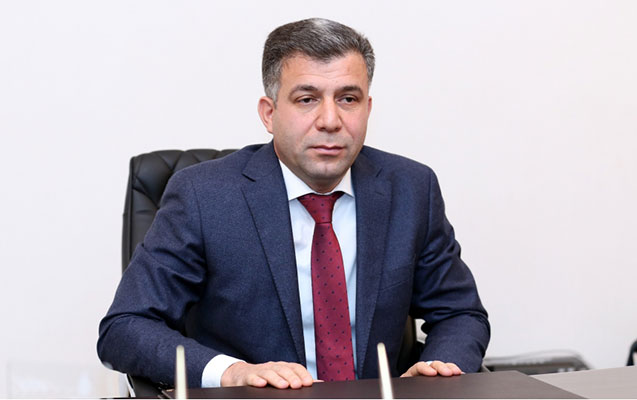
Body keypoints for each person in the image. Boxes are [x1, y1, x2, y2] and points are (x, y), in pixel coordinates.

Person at [97, 18, 490, 390]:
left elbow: (459, 312)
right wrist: (232, 373)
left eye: (348, 99)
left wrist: (438, 369)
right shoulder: (204, 196)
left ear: (367, 109)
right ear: (269, 114)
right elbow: (125, 327)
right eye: (307, 99)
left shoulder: (411, 189)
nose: (330, 120)